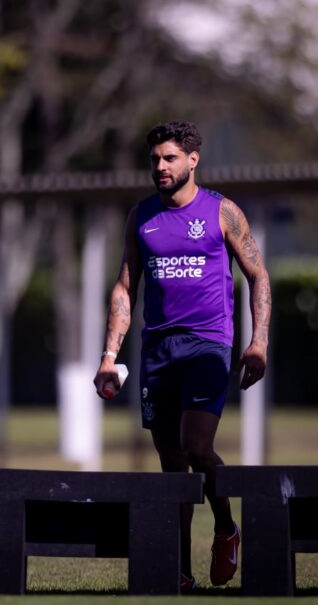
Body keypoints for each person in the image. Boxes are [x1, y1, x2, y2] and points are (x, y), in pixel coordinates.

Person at [93, 120, 271, 591]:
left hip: (208, 346)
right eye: (154, 159)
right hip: (158, 350)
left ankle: (226, 528)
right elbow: (125, 287)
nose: (160, 167)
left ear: (193, 160)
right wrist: (110, 354)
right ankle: (180, 569)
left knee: (196, 446)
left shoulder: (222, 212)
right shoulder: (142, 216)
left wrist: (258, 341)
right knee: (172, 462)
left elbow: (259, 275)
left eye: (169, 158)